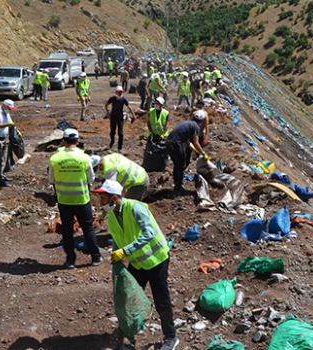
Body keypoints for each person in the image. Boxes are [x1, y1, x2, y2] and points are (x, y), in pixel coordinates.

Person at [91, 180, 178, 350]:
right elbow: (118, 240)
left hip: (156, 260)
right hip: (138, 263)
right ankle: (133, 326)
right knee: (128, 298)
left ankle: (171, 337)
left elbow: (149, 233)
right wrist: (116, 256)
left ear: (114, 198)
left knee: (161, 300)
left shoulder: (136, 208)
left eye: (102, 199)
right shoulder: (113, 218)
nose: (100, 204)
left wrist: (125, 251)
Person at [48, 128, 103, 269]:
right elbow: (91, 178)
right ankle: (96, 257)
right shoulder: (84, 157)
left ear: (64, 141)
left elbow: (51, 179)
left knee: (67, 230)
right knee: (88, 228)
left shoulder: (55, 158)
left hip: (64, 200)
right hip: (81, 199)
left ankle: (70, 260)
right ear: (78, 141)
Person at [165, 112, 208, 192]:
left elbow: (187, 142)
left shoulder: (188, 124)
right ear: (201, 121)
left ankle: (176, 183)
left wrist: (195, 150)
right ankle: (178, 187)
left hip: (169, 142)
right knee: (181, 165)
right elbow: (196, 143)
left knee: (177, 164)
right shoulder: (196, 127)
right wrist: (203, 153)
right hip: (175, 144)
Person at [0, 99, 16, 187]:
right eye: (8, 108)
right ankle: (0, 178)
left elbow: (10, 122)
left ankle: (2, 175)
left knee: (3, 158)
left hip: (4, 137)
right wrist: (7, 125)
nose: (9, 110)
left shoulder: (6, 112)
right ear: (4, 105)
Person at [105, 86, 136, 153]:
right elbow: (106, 104)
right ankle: (112, 141)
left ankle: (120, 147)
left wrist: (133, 115)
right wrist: (108, 113)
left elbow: (129, 107)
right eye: (119, 92)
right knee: (112, 132)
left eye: (121, 92)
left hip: (120, 118)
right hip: (113, 117)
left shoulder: (123, 99)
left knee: (120, 133)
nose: (120, 93)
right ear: (116, 92)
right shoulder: (112, 98)